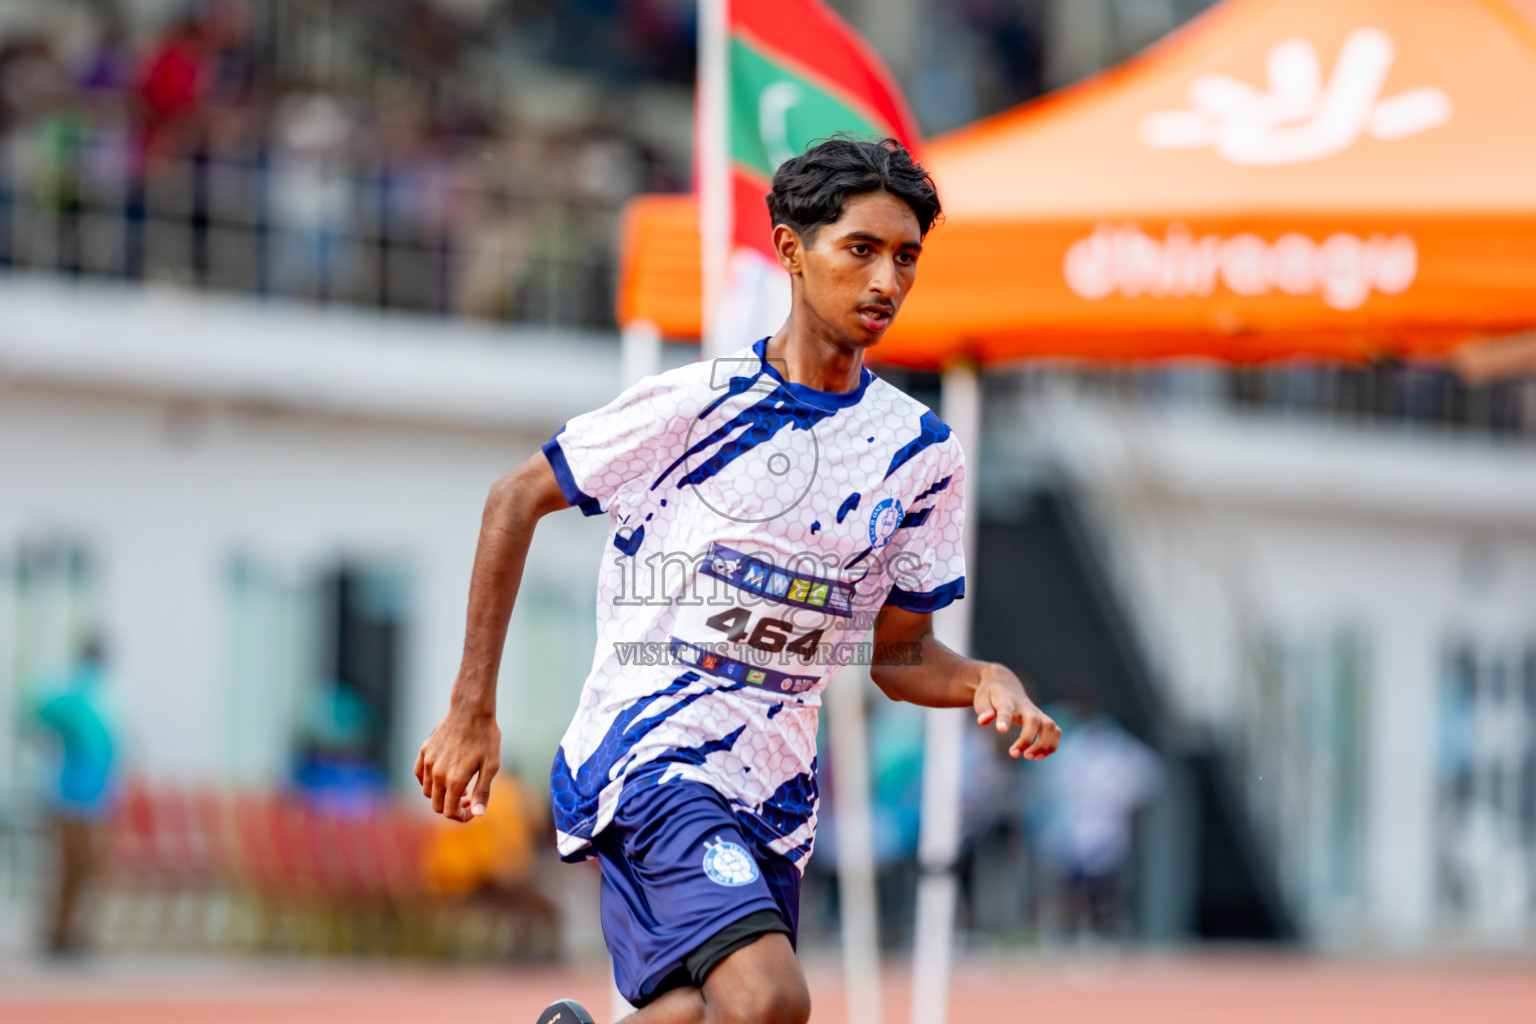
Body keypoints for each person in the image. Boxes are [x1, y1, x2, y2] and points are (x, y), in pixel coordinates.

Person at [415, 136, 1060, 1024]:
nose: (887, 283)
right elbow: (515, 496)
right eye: (861, 251)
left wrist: (985, 679)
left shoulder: (922, 454)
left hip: (776, 795)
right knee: (770, 1001)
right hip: (650, 758)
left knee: (695, 1013)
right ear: (793, 253)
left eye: (906, 258)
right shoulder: (698, 404)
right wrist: (471, 708)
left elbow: (899, 656)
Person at [24, 635, 119, 956]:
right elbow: (37, 712)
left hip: (94, 800)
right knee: (69, 866)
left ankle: (71, 929)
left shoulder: (101, 696)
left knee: (84, 868)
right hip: (70, 799)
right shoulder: (77, 693)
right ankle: (58, 932)